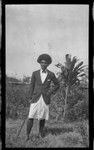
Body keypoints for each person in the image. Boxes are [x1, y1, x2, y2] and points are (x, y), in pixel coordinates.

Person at [26, 54, 60, 141]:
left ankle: (41, 135)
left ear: (48, 64)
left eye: (45, 63)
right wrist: (30, 97)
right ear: (40, 63)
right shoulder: (35, 73)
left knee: (42, 117)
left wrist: (50, 92)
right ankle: (27, 136)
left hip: (45, 99)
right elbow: (31, 86)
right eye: (42, 63)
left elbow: (57, 85)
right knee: (31, 116)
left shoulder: (51, 74)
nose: (43, 64)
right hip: (35, 98)